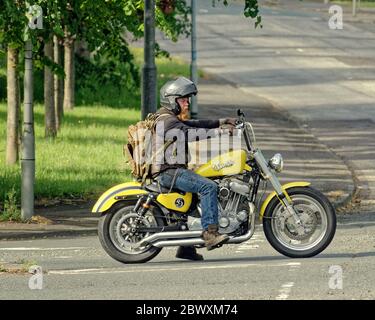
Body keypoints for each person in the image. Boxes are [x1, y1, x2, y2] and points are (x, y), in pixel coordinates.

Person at [152, 76, 236, 261]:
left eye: (187, 99)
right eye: (183, 100)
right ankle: (210, 234)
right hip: (170, 173)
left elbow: (194, 124)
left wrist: (220, 121)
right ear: (172, 100)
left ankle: (186, 248)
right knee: (208, 187)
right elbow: (190, 133)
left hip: (172, 170)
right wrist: (219, 132)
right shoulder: (168, 121)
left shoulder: (168, 117)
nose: (187, 103)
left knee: (194, 200)